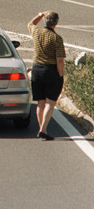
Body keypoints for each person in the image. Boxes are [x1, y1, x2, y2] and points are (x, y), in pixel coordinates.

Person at [28, 11, 66, 140]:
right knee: (50, 102)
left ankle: (41, 128)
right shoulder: (57, 38)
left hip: (36, 69)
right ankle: (43, 129)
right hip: (50, 71)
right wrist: (60, 75)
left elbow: (31, 24)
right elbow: (59, 60)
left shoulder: (37, 32)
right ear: (56, 23)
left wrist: (39, 15)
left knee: (40, 102)